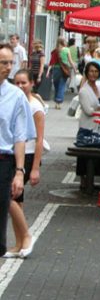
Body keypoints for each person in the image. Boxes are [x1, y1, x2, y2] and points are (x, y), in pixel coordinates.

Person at [3, 69, 46, 258]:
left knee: (9, 197)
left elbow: (39, 139)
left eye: (24, 83)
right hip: (13, 155)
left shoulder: (35, 106)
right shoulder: (14, 99)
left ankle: (26, 237)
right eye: (17, 83)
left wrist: (35, 168)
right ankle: (19, 243)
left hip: (26, 157)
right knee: (15, 200)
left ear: (32, 84)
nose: (20, 86)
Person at [0, 43, 36, 257]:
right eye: (4, 62)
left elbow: (20, 137)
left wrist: (20, 172)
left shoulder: (16, 96)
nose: (8, 67)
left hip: (3, 160)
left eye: (11, 63)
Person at [76, 62, 100, 190]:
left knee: (96, 157)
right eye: (91, 71)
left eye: (96, 71)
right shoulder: (83, 91)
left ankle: (92, 180)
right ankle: (84, 181)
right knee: (86, 157)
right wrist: (99, 108)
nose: (93, 74)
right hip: (87, 127)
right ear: (86, 73)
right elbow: (88, 111)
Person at [46, 37, 74, 110]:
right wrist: (74, 68)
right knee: (62, 86)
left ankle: (56, 101)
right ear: (63, 42)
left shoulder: (55, 51)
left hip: (55, 69)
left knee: (56, 86)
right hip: (63, 69)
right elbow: (70, 61)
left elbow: (51, 62)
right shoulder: (67, 50)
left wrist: (48, 71)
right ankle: (59, 101)